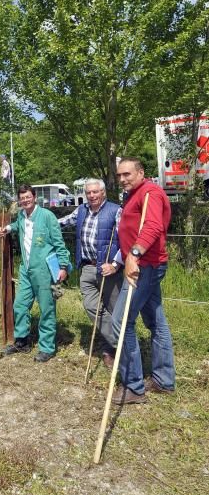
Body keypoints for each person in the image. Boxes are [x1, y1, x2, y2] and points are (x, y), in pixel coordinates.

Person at [111, 157, 175, 404]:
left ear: (140, 172)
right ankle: (163, 379)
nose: (122, 179)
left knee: (121, 321)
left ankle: (134, 386)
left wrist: (134, 255)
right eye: (119, 175)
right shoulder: (134, 195)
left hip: (144, 266)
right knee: (156, 321)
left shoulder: (150, 192)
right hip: (144, 264)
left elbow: (152, 226)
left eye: (127, 174)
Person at [0, 184, 71, 362]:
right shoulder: (22, 216)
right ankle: (22, 341)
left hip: (44, 270)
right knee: (20, 305)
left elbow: (59, 242)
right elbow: (18, 226)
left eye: (27, 197)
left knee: (46, 308)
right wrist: (7, 228)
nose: (25, 200)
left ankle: (47, 348)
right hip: (26, 269)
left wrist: (63, 266)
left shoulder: (47, 216)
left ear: (34, 197)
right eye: (22, 198)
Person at [58, 179, 122, 368]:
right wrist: (40, 222)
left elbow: (126, 239)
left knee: (115, 310)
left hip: (108, 269)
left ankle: (116, 349)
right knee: (91, 306)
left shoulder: (115, 210)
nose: (92, 196)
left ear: (103, 193)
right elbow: (62, 222)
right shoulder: (82, 210)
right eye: (89, 193)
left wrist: (115, 264)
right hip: (86, 267)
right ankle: (119, 344)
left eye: (95, 192)